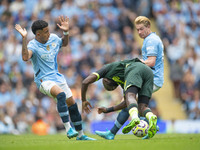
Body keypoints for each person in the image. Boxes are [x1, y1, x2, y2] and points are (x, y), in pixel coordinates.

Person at [15, 16, 95, 140]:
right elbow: (25, 57)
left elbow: (64, 43)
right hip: (43, 80)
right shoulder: (33, 45)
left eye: (48, 30)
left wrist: (66, 32)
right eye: (46, 31)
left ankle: (81, 135)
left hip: (57, 77)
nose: (49, 33)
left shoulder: (53, 38)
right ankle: (68, 129)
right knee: (61, 95)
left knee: (73, 105)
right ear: (38, 34)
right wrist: (24, 39)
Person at [95, 16, 164, 140]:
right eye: (137, 30)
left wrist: (137, 63)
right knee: (130, 104)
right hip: (153, 78)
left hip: (151, 78)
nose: (139, 32)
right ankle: (148, 121)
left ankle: (116, 131)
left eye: (141, 29)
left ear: (148, 26)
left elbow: (152, 61)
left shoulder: (151, 40)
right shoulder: (150, 39)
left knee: (129, 101)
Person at [81, 58, 158, 139]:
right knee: (142, 107)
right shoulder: (124, 81)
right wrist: (108, 110)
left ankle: (134, 118)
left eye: (110, 88)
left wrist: (83, 100)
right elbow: (126, 103)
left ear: (105, 80)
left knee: (130, 96)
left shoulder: (106, 69)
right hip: (149, 72)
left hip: (135, 67)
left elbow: (85, 82)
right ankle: (151, 117)